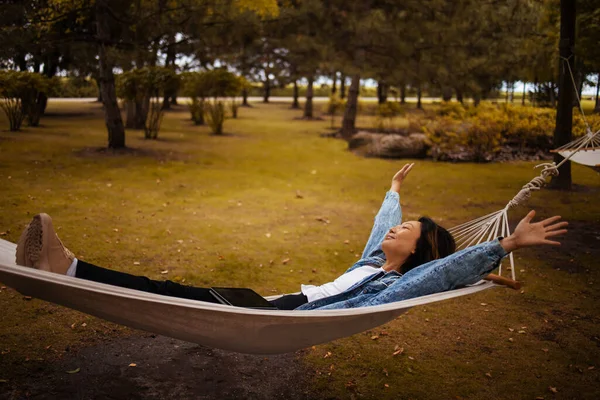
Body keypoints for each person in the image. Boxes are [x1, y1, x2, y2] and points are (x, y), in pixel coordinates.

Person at [14, 164, 568, 311]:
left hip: (280, 315)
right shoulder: (372, 263)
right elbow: (380, 232)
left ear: (416, 252)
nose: (395, 230)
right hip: (276, 304)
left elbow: (437, 274)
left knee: (171, 292)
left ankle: (66, 268)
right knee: (168, 290)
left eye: (407, 230)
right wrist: (392, 192)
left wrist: (504, 247)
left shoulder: (392, 286)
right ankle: (66, 269)